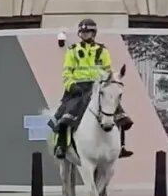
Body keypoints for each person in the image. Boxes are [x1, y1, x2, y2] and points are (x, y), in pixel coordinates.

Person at [49, 19, 134, 160]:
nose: (84, 34)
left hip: (98, 86)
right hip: (78, 88)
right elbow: (66, 72)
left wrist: (110, 82)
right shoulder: (73, 50)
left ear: (93, 33)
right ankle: (61, 145)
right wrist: (71, 85)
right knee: (66, 114)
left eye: (87, 31)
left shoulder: (102, 51)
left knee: (119, 113)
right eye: (82, 32)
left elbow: (107, 70)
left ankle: (121, 146)